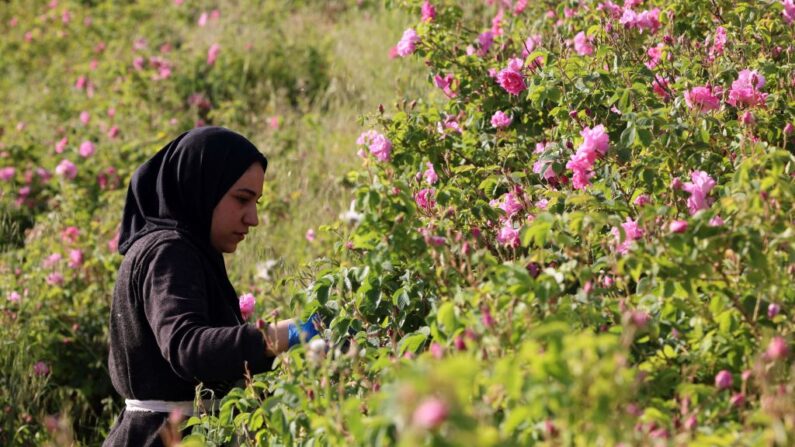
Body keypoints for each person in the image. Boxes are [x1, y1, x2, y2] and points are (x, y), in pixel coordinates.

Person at [103, 126, 320, 446]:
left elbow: (222, 359)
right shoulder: (169, 251)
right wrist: (294, 332)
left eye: (256, 201)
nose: (253, 218)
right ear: (201, 186)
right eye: (242, 199)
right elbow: (188, 347)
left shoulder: (184, 249)